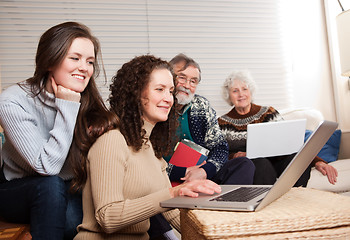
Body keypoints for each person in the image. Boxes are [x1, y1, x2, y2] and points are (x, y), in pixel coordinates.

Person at [74, 55, 221, 240]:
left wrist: (220, 229)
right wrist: (174, 192)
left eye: (170, 91)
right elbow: (107, 218)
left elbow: (174, 214)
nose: (168, 99)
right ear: (135, 93)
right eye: (159, 89)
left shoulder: (152, 151)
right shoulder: (111, 140)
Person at [0, 21, 107, 239]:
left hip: (69, 187)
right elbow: (46, 167)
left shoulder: (88, 100)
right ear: (51, 60)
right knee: (50, 186)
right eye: (75, 58)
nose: (84, 68)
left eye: (90, 61)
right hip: (16, 189)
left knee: (80, 222)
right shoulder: (13, 101)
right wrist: (67, 107)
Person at [148, 54, 256, 239]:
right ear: (169, 77)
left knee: (244, 164)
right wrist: (183, 172)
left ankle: (219, 217)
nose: (187, 85)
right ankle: (169, 235)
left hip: (201, 175)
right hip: (164, 178)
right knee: (144, 189)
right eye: (182, 77)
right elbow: (147, 160)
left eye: (193, 81)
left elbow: (220, 147)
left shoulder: (201, 105)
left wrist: (205, 170)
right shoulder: (159, 103)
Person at [218, 69, 338, 186]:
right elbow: (218, 153)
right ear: (228, 96)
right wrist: (234, 156)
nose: (241, 94)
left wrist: (318, 162)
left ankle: (294, 199)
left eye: (245, 89)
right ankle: (267, 203)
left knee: (296, 160)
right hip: (253, 166)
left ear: (250, 91)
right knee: (261, 163)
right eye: (235, 91)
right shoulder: (222, 122)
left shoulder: (268, 113)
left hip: (277, 162)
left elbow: (290, 143)